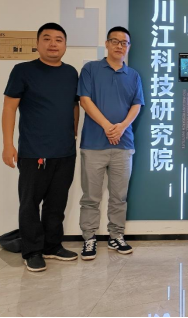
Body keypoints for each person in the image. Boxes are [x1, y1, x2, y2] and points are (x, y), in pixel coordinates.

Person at [2, 23, 80, 273]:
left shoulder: (71, 73)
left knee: (57, 203)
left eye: (59, 39)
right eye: (47, 38)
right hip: (33, 151)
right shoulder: (23, 71)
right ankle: (32, 251)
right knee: (30, 203)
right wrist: (7, 145)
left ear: (65, 45)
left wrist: (74, 133)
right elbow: (9, 108)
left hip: (65, 151)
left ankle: (52, 246)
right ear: (37, 44)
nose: (53, 44)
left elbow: (74, 106)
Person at [78, 27, 144, 261]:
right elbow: (85, 100)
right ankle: (89, 238)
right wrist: (108, 126)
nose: (119, 46)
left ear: (128, 47)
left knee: (119, 196)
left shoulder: (133, 75)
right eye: (115, 41)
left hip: (123, 145)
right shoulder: (91, 69)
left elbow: (137, 105)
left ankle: (116, 236)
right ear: (106, 44)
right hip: (93, 144)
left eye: (124, 43)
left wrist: (122, 127)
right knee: (91, 197)